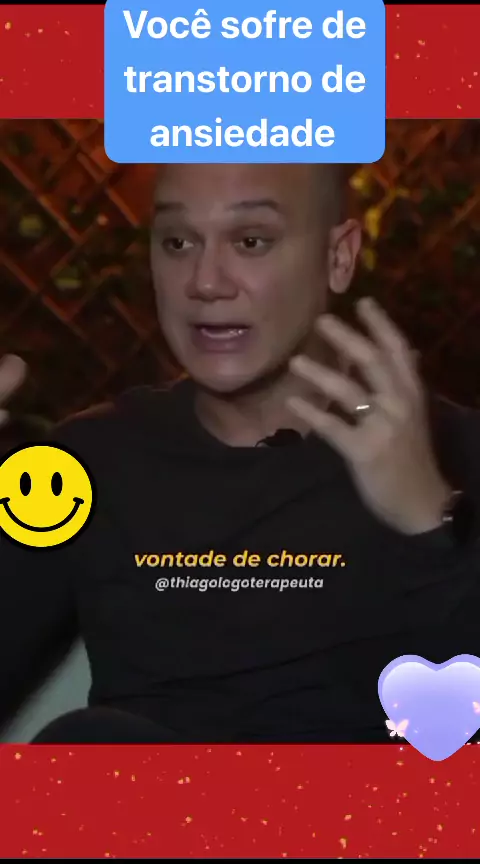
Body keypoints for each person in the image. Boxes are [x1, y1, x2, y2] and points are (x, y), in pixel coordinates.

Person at [0, 163, 479, 744]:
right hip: (135, 794)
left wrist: (430, 522)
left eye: (251, 241)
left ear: (338, 258)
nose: (205, 283)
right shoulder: (80, 464)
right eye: (178, 242)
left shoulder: (454, 450)